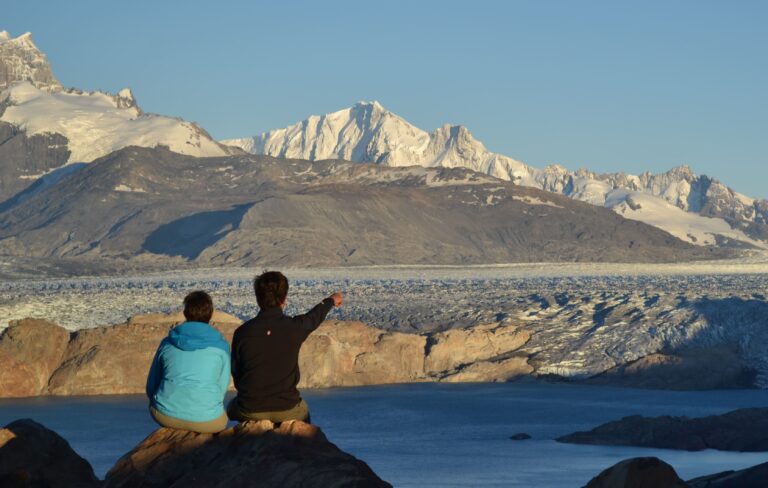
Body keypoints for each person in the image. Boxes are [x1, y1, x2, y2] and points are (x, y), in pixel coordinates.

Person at [228, 271, 342, 424]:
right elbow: (313, 317)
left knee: (230, 408)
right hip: (287, 408)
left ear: (257, 298)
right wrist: (330, 301)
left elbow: (237, 373)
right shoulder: (294, 328)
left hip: (250, 409)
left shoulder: (242, 332)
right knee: (303, 412)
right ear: (284, 299)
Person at [146, 290, 231, 433]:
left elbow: (151, 386)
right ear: (210, 314)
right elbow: (222, 387)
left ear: (186, 313)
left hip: (165, 415)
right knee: (223, 419)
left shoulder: (167, 343)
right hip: (208, 421)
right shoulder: (221, 346)